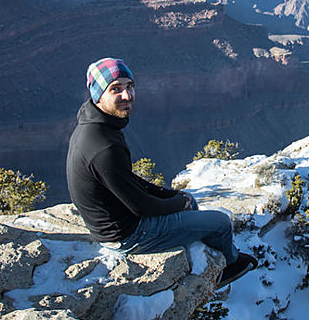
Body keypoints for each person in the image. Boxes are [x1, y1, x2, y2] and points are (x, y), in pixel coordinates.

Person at [66, 57, 256, 288]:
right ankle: (228, 266)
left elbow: (128, 181)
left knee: (190, 200)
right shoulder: (104, 146)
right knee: (221, 223)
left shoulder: (95, 126)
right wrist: (178, 204)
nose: (127, 96)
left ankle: (198, 251)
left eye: (130, 87)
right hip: (127, 235)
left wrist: (171, 196)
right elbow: (140, 207)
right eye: (116, 89)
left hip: (118, 219)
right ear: (98, 95)